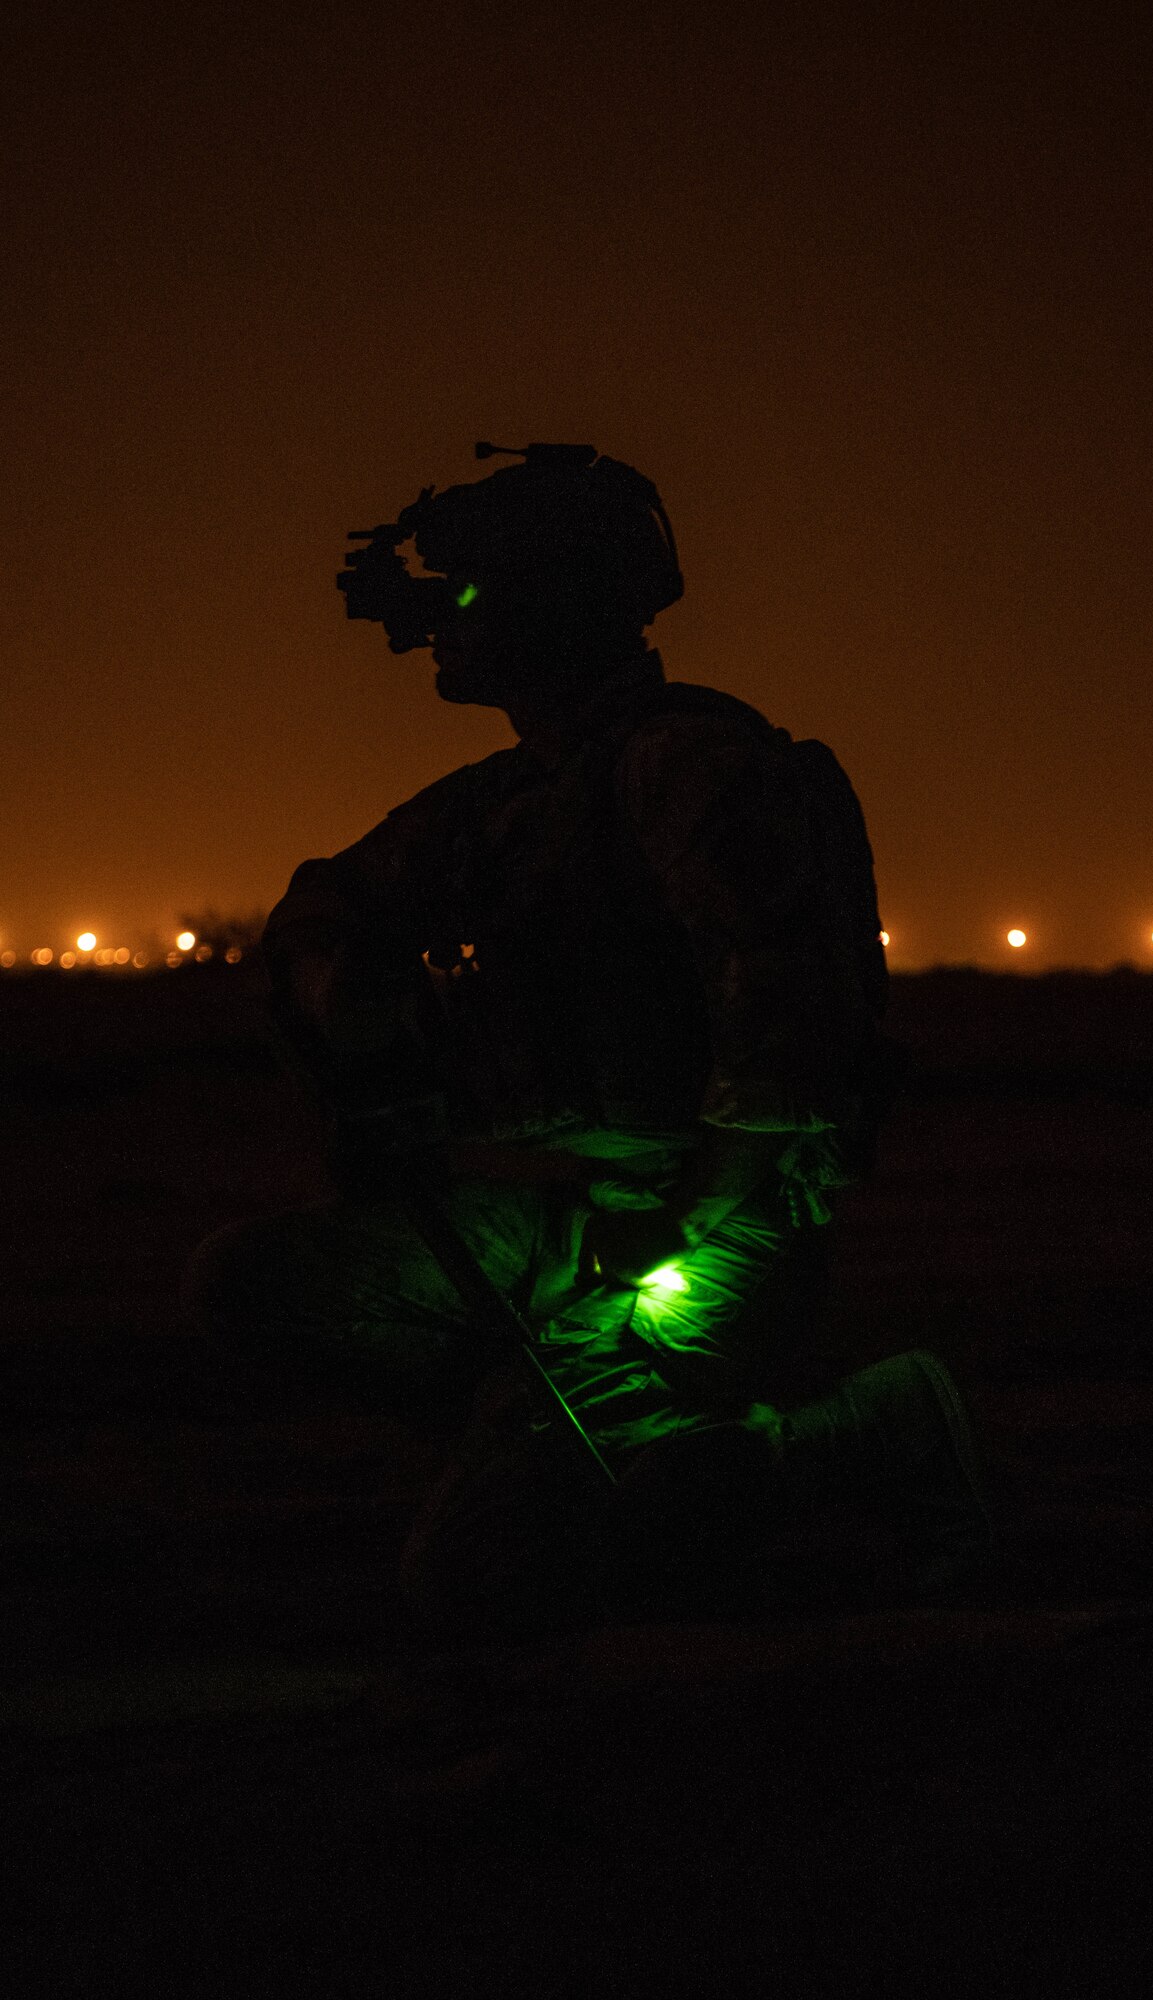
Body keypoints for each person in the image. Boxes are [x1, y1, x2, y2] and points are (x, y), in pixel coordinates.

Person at [184, 442, 991, 1638]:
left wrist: (683, 1216)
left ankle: (861, 1433)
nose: (441, 625)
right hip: (573, 1221)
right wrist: (349, 1006)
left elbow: (788, 1035)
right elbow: (326, 906)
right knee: (250, 1285)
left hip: (711, 1219)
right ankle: (588, 1431)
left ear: (552, 601)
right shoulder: (510, 800)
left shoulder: (694, 764)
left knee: (477, 1572)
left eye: (473, 594)